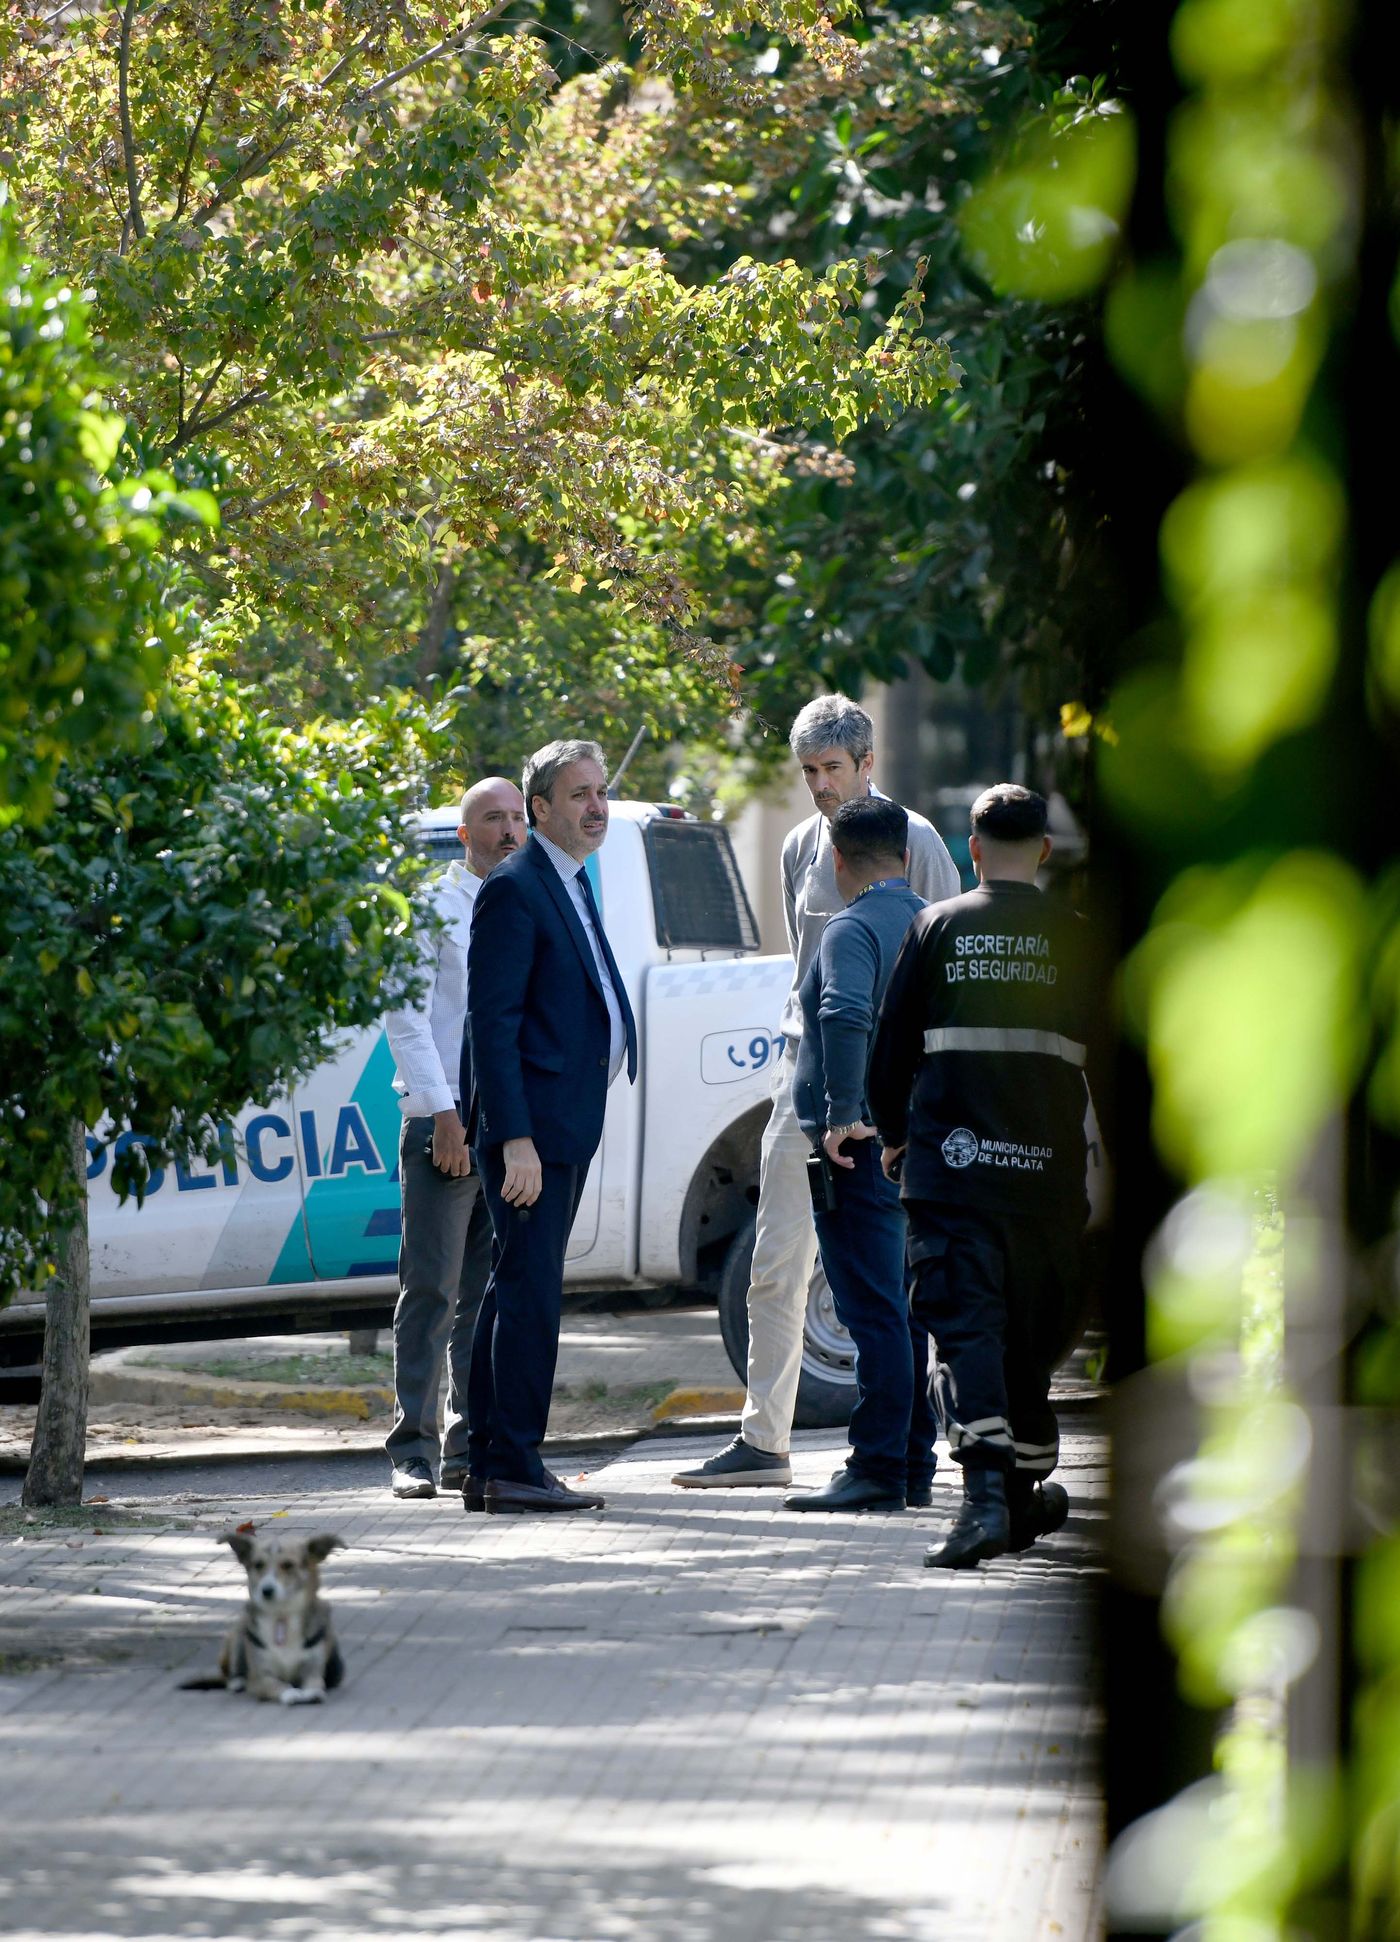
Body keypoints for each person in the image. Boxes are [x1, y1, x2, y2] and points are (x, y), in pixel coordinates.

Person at [674, 694, 959, 1490]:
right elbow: (805, 973)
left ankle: (904, 1450)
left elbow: (935, 958)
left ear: (868, 764)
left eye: (833, 769)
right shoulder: (802, 844)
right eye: (809, 772)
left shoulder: (919, 841)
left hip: (887, 1089)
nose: (822, 786)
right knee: (775, 1263)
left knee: (892, 1278)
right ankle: (764, 1442)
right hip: (802, 1079)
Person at [868, 783, 1095, 1568]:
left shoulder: (936, 926)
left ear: (972, 849)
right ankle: (1018, 1494)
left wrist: (895, 1137)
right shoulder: (1074, 938)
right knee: (1026, 1341)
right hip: (1046, 1182)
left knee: (966, 1333)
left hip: (953, 1176)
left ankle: (993, 1505)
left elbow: (888, 1050)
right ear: (1042, 850)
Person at [463, 739, 637, 1514]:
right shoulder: (516, 886)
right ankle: (516, 1467)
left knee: (514, 1291)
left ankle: (488, 1466)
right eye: (578, 796)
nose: (596, 808)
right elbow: (490, 1027)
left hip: (564, 1125)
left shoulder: (567, 879)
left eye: (600, 793)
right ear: (541, 810)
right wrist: (515, 1138)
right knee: (528, 1296)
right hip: (531, 1136)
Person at [782, 797, 938, 1512]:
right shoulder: (933, 923)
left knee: (872, 1311)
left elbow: (843, 1013)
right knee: (904, 1314)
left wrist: (844, 1115)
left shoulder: (849, 927)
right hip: (918, 1144)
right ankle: (911, 1462)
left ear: (838, 861)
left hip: (862, 1151)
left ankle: (876, 1466)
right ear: (905, 855)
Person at [384, 775, 527, 1500]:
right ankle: (413, 1448)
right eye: (491, 820)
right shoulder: (432, 907)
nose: (507, 831)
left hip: (509, 1136)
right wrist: (443, 1113)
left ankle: (473, 1445)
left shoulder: (532, 900)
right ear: (465, 834)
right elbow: (405, 1018)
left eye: (514, 818)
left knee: (488, 1296)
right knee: (431, 1291)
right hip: (444, 1128)